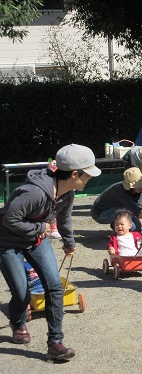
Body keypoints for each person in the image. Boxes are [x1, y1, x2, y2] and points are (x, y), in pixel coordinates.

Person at [0, 144, 101, 360]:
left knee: (54, 285)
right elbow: (9, 219)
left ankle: (55, 342)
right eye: (88, 174)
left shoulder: (68, 193)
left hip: (35, 240)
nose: (89, 178)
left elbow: (64, 218)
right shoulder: (34, 192)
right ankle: (17, 322)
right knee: (21, 293)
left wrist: (69, 242)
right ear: (75, 173)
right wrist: (40, 228)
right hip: (8, 242)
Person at [91, 167, 142, 233]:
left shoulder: (141, 189)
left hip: (121, 209)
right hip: (101, 213)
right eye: (138, 185)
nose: (141, 187)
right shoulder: (120, 190)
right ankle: (117, 225)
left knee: (136, 229)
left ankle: (116, 224)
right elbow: (136, 211)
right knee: (130, 224)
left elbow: (139, 208)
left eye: (141, 184)